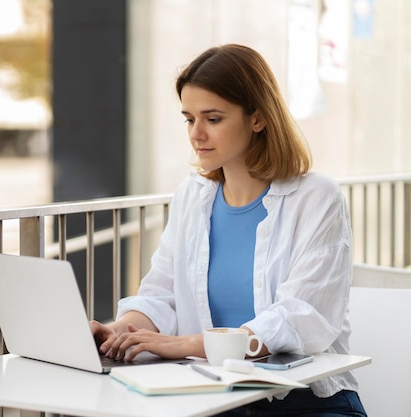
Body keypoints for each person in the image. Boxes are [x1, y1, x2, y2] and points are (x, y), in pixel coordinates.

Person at [90, 44, 366, 416]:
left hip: (305, 402)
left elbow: (303, 319)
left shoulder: (316, 198)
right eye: (189, 119)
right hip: (217, 401)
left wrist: (187, 344)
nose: (196, 134)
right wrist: (122, 332)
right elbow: (162, 294)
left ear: (258, 118)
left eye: (213, 119)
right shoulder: (193, 197)